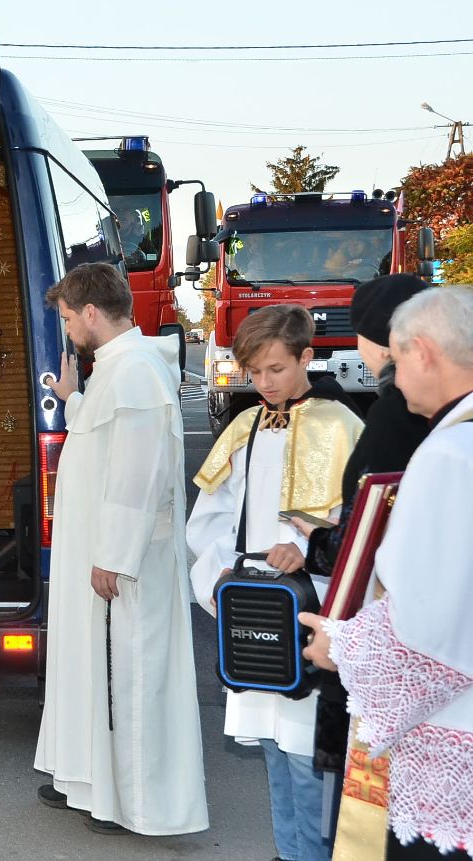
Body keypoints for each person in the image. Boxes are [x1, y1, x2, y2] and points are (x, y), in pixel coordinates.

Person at [33, 262, 208, 836]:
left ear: (90, 313)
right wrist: (74, 399)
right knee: (93, 669)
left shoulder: (134, 372)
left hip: (119, 566)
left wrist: (114, 553)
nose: (66, 330)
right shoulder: (116, 369)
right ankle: (86, 782)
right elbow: (105, 442)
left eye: (66, 318)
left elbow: (140, 474)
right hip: (97, 558)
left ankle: (129, 805)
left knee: (125, 679)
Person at [300, 286, 473, 860]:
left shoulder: (451, 454)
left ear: (423, 352)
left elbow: (433, 621)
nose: (394, 381)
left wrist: (341, 647)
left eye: (399, 362)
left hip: (451, 728)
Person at [188, 305, 363, 861]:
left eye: (276, 370)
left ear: (307, 357)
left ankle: (309, 853)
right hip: (253, 610)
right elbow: (212, 515)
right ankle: (290, 853)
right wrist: (218, 574)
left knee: (309, 755)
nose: (263, 384)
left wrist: (312, 546)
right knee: (270, 744)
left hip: (313, 615)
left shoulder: (343, 425)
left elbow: (360, 523)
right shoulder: (243, 427)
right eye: (253, 373)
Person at [287, 275, 431, 775]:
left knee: (374, 800)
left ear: (376, 341)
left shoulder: (397, 413)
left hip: (389, 623)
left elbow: (370, 531)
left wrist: (319, 539)